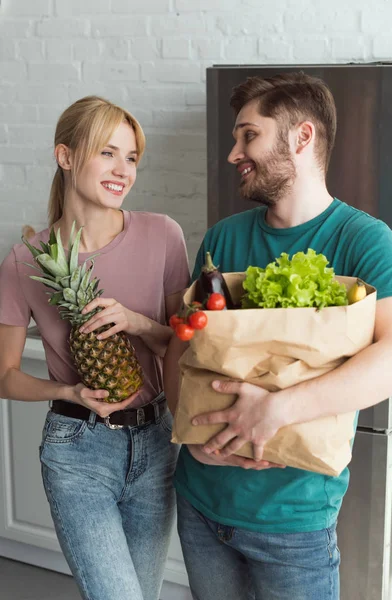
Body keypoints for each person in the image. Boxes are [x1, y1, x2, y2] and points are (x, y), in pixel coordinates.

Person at [163, 72, 392, 600]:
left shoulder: (364, 240)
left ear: (301, 136)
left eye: (249, 135)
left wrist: (277, 410)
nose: (233, 153)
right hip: (202, 503)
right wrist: (192, 439)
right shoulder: (225, 236)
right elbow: (183, 346)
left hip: (294, 522)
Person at [0, 96, 190, 600]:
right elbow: (4, 375)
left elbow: (187, 347)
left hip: (155, 441)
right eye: (107, 153)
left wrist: (137, 323)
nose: (122, 170)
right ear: (65, 156)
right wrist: (70, 389)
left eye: (131, 158)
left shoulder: (163, 235)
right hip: (77, 448)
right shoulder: (25, 259)